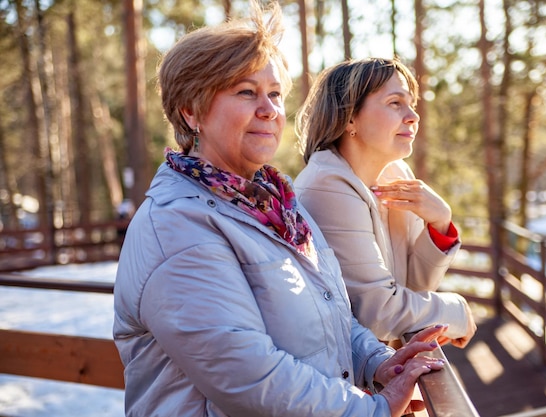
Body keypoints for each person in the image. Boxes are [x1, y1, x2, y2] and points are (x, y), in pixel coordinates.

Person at [113, 4, 448, 416]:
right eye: (246, 92)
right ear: (191, 110)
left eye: (274, 94)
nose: (270, 109)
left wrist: (376, 362)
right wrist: (372, 411)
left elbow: (332, 316)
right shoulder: (177, 225)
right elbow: (247, 375)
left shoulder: (280, 207)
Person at [294, 58, 477, 348]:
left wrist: (440, 222)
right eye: (395, 103)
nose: (413, 116)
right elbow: (379, 312)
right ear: (350, 118)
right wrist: (456, 311)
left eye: (412, 104)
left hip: (387, 367)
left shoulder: (395, 175)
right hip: (346, 379)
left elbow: (413, 290)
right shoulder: (327, 186)